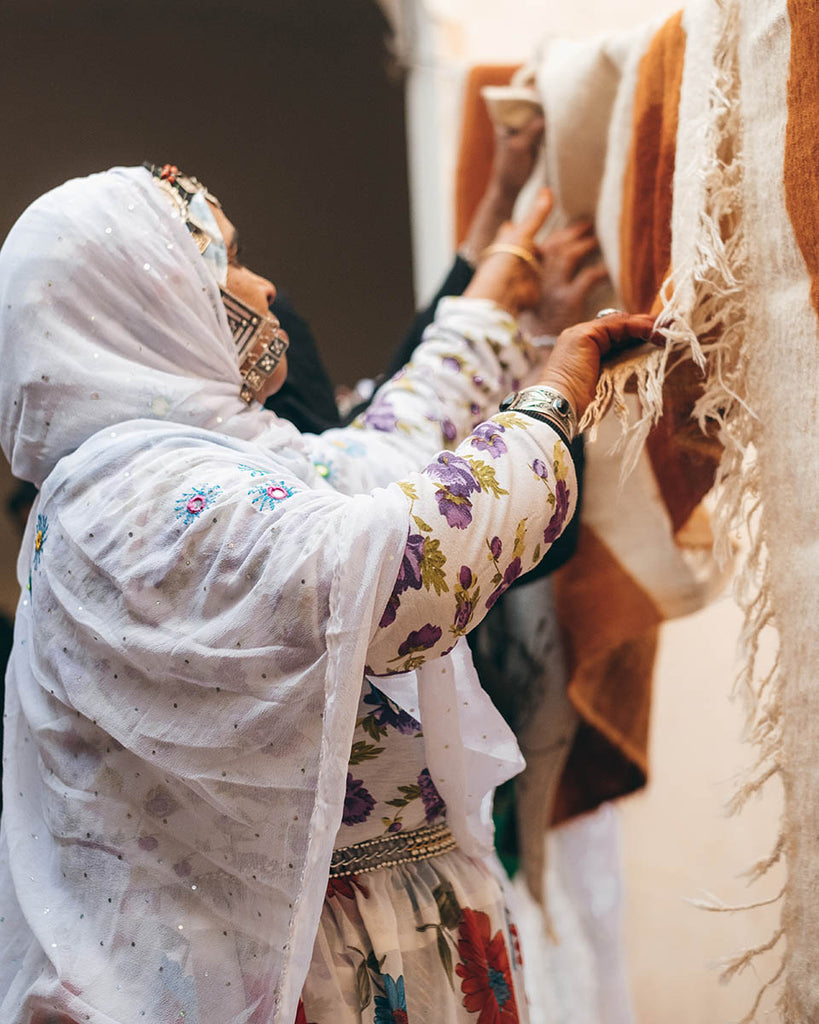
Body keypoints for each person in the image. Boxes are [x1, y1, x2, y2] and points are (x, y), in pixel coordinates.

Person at [0, 163, 653, 1024]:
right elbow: (403, 578)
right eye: (226, 265)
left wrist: (495, 294)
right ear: (143, 303)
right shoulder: (131, 504)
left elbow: (384, 458)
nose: (261, 287)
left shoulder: (198, 469)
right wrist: (551, 399)